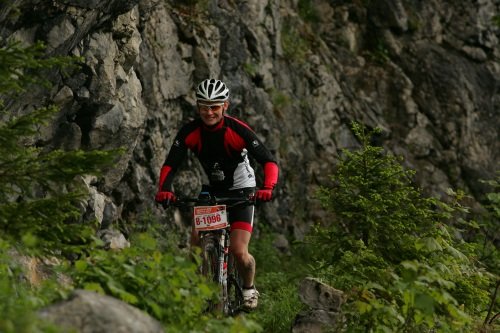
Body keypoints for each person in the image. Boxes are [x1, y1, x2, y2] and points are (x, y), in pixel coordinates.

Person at [155, 78, 279, 310]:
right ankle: (201, 289)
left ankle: (249, 287)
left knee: (239, 251)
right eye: (204, 106)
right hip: (212, 190)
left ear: (225, 106)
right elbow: (171, 164)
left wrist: (267, 188)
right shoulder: (190, 132)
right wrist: (164, 190)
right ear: (198, 107)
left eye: (215, 106)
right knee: (195, 245)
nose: (209, 112)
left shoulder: (238, 130)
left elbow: (268, 161)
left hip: (242, 189)